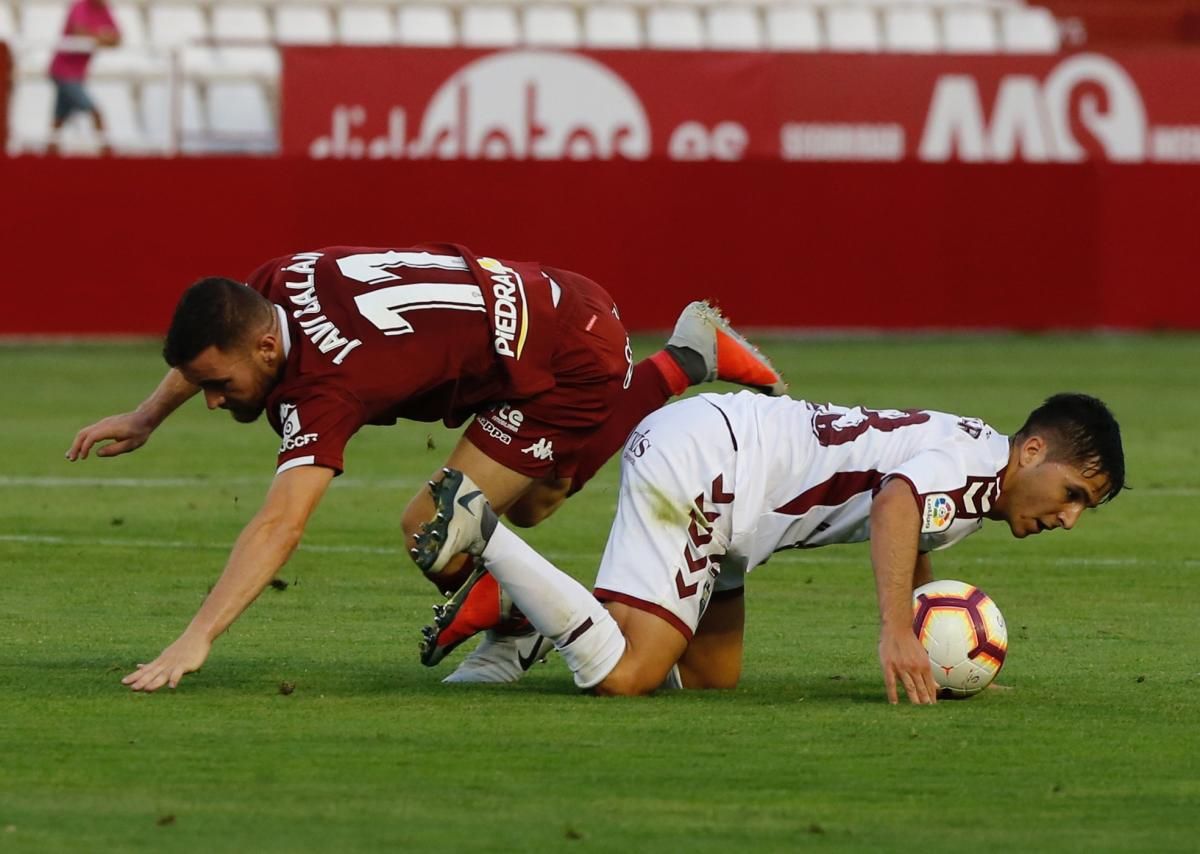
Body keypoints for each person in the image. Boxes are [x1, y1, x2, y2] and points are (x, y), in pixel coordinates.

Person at [65, 243, 786, 692]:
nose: (214, 402)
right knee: (519, 512)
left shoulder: (329, 382)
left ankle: (520, 623)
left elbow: (281, 523)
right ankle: (686, 358)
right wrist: (147, 414)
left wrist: (198, 636)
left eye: (217, 386)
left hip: (567, 359)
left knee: (438, 527)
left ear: (262, 349)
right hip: (549, 309)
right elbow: (213, 348)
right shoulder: (270, 287)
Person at [412, 391, 1125, 704]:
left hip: (729, 494)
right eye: (1073, 494)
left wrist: (932, 644)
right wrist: (895, 634)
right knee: (627, 676)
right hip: (715, 466)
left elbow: (917, 527)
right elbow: (896, 502)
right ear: (1031, 450)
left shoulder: (972, 475)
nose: (1069, 518)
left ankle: (516, 615)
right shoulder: (974, 465)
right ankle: (485, 531)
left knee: (710, 676)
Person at [47, 0, 121, 156]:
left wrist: (94, 36)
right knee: (94, 111)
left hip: (77, 73)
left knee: (60, 115)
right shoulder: (79, 6)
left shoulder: (103, 9)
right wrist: (103, 37)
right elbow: (78, 32)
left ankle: (49, 154)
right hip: (63, 71)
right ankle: (107, 152)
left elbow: (118, 38)